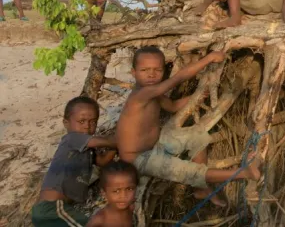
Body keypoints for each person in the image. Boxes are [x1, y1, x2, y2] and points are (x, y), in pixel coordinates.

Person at [117, 46, 260, 206]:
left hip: (156, 144)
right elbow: (177, 79)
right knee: (187, 172)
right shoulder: (140, 94)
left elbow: (171, 106)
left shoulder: (153, 92)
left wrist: (195, 97)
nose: (151, 74)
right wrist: (209, 58)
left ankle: (202, 189)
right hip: (138, 159)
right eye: (145, 70)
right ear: (133, 73)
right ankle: (244, 173)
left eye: (157, 70)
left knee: (197, 135)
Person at [32, 97, 117, 227]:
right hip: (53, 208)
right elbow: (98, 141)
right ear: (66, 123)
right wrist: (122, 140)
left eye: (93, 122)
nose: (87, 126)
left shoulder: (86, 150)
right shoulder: (72, 138)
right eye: (81, 121)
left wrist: (114, 148)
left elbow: (102, 161)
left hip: (57, 210)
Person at [86, 160, 138, 227]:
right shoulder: (100, 220)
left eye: (129, 189)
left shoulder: (133, 209)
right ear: (104, 193)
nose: (123, 196)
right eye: (116, 191)